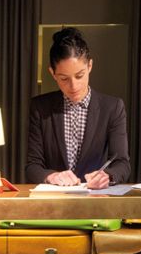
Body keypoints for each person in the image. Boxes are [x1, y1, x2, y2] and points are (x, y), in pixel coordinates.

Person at [25, 27, 130, 188]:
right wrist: (52, 176)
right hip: (55, 203)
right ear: (52, 73)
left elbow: (122, 163)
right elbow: (32, 166)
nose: (73, 86)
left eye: (79, 75)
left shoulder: (112, 108)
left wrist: (107, 176)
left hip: (96, 202)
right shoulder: (41, 108)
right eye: (64, 78)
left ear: (90, 66)